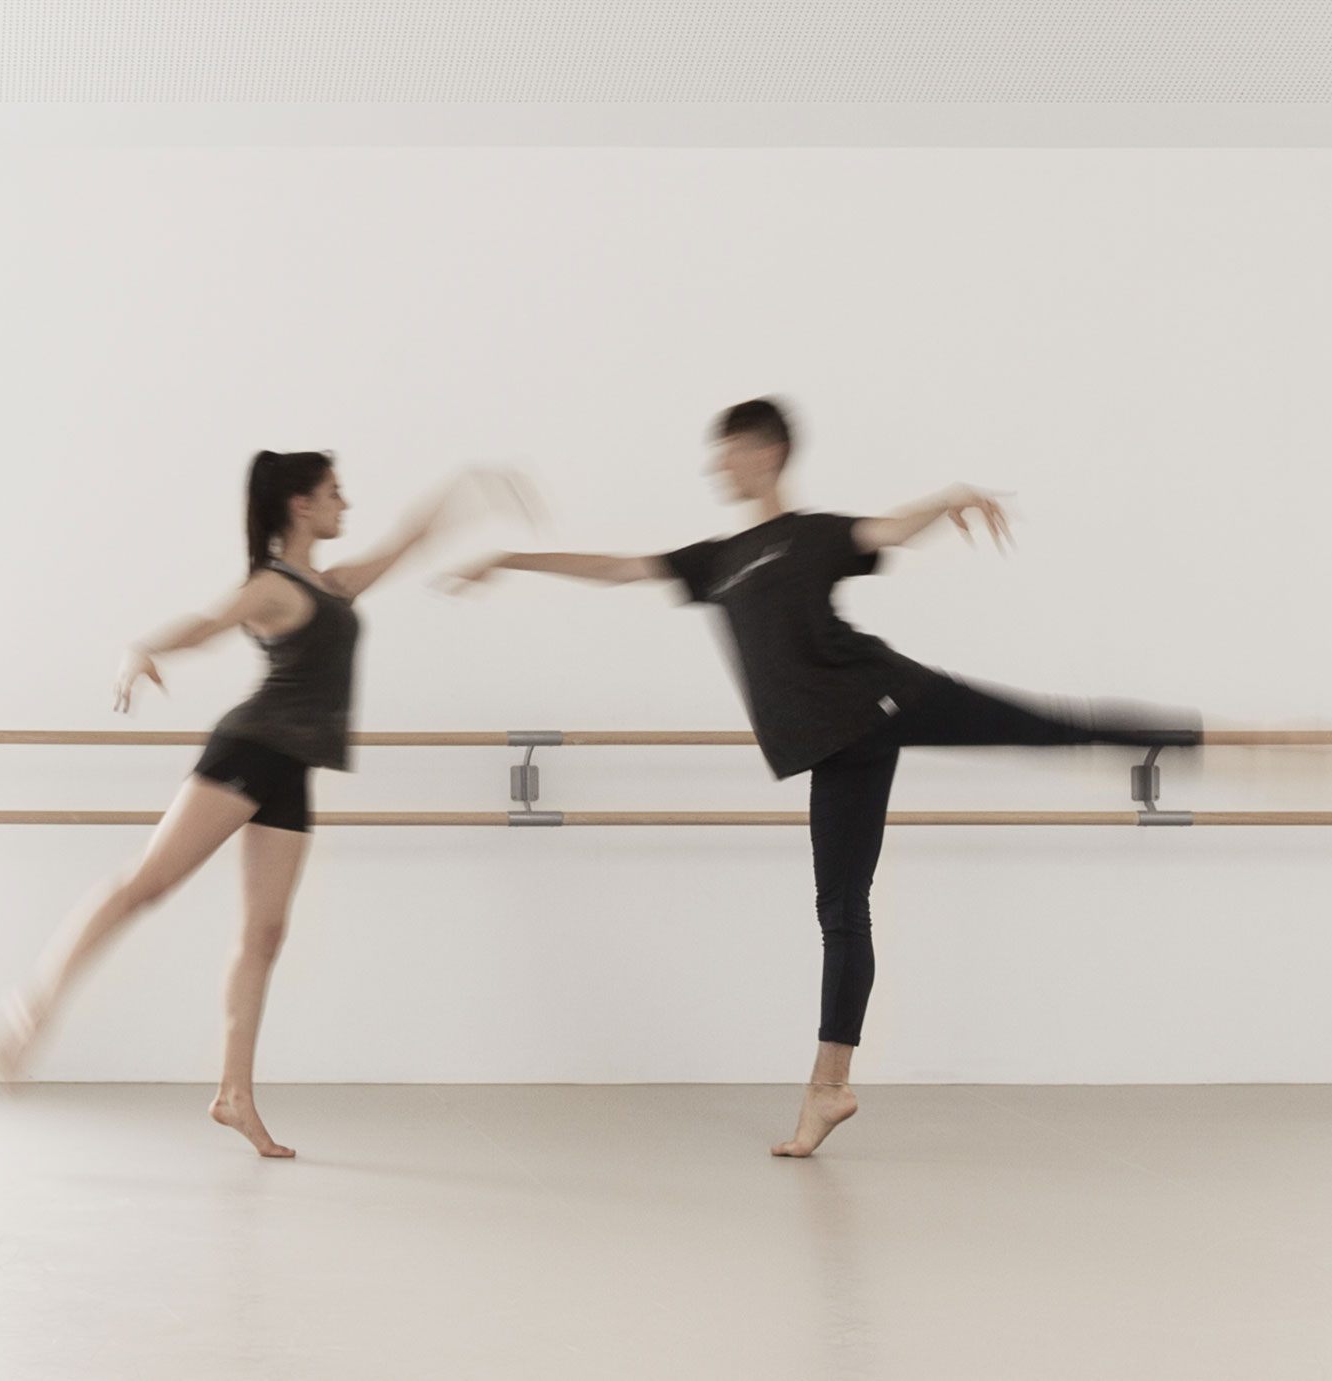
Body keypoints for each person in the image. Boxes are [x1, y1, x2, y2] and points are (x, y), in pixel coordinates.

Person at [449, 397, 1192, 1158]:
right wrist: (510, 560)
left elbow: (889, 530)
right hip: (837, 742)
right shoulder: (717, 559)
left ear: (767, 452)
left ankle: (1199, 739)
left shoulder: (812, 535)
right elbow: (617, 569)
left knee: (1046, 727)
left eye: (729, 450)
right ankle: (828, 1088)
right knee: (839, 907)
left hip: (885, 695)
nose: (719, 465)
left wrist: (951, 496)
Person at [0, 450, 526, 1158]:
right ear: (302, 504)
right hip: (247, 752)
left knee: (264, 934)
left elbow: (407, 539)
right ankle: (36, 1002)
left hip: (290, 770)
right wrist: (141, 648)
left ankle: (233, 1094)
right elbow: (207, 623)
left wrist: (468, 487)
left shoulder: (333, 584)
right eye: (335, 492)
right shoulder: (273, 585)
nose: (345, 504)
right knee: (148, 882)